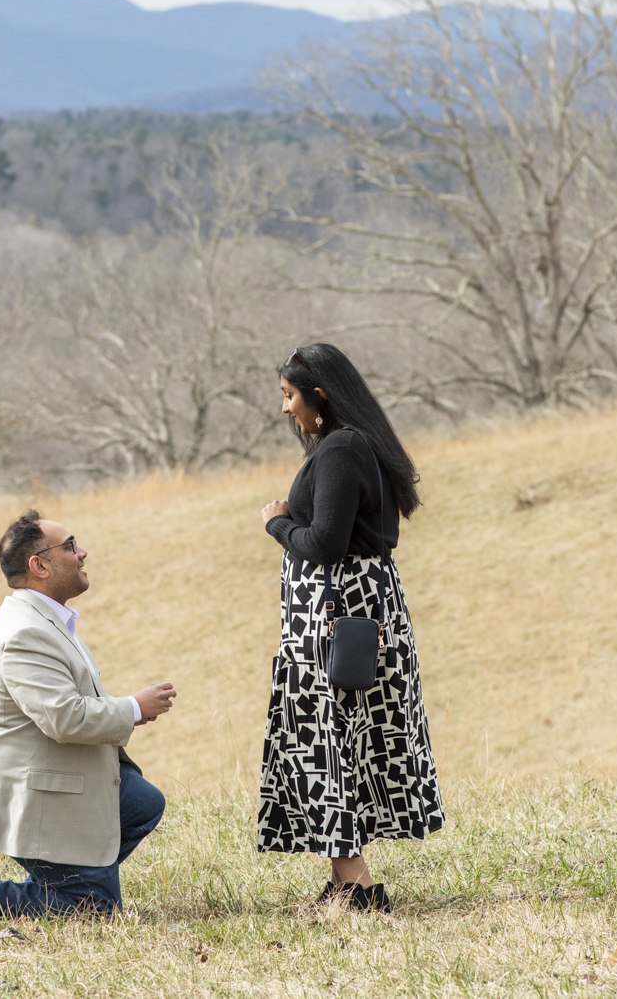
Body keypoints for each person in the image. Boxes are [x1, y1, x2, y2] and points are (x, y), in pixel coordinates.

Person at [0, 510, 177, 922]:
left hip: (62, 777)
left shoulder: (43, 619)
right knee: (94, 910)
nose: (83, 552)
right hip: (33, 794)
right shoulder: (24, 633)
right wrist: (132, 707)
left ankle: (75, 878)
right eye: (71, 545)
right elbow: (65, 718)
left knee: (141, 802)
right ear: (39, 565)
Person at [258, 343, 443, 912]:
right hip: (364, 609)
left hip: (334, 617)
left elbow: (325, 545)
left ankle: (356, 887)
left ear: (319, 395)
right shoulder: (361, 444)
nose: (286, 409)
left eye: (290, 396)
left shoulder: (340, 449)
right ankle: (346, 883)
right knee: (344, 742)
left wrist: (278, 523)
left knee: (325, 741)